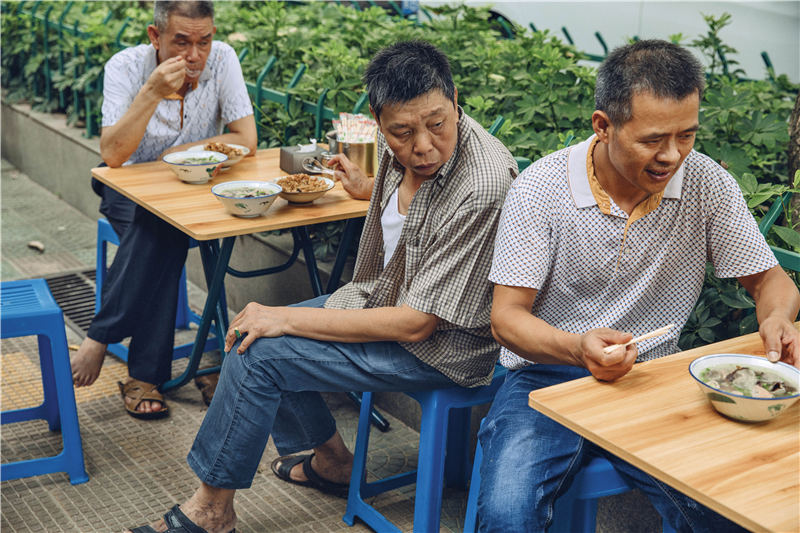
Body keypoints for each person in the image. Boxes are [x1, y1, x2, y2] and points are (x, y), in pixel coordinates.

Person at [125, 40, 517, 533]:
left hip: (442, 346)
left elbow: (418, 324)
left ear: (455, 100)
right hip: (382, 298)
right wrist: (370, 189)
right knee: (252, 324)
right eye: (401, 132)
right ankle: (332, 461)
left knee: (261, 349)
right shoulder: (409, 152)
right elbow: (421, 217)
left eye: (437, 124)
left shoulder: (482, 183)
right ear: (378, 119)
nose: (422, 145)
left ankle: (211, 510)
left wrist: (287, 317)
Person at [477, 40, 800, 532]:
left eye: (687, 135)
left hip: (654, 380)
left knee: (730, 513)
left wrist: (776, 317)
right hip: (544, 375)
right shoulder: (542, 188)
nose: (672, 155)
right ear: (603, 126)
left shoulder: (706, 184)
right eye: (652, 140)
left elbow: (769, 279)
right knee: (507, 515)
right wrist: (575, 347)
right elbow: (507, 318)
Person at [70, 0, 257, 418]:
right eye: (181, 42)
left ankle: (109, 343)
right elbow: (113, 155)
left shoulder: (222, 59)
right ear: (155, 37)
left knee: (164, 227)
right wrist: (152, 92)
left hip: (198, 183)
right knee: (160, 224)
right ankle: (201, 365)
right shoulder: (125, 67)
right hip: (128, 185)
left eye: (203, 41)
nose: (194, 55)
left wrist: (179, 155)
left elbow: (246, 137)